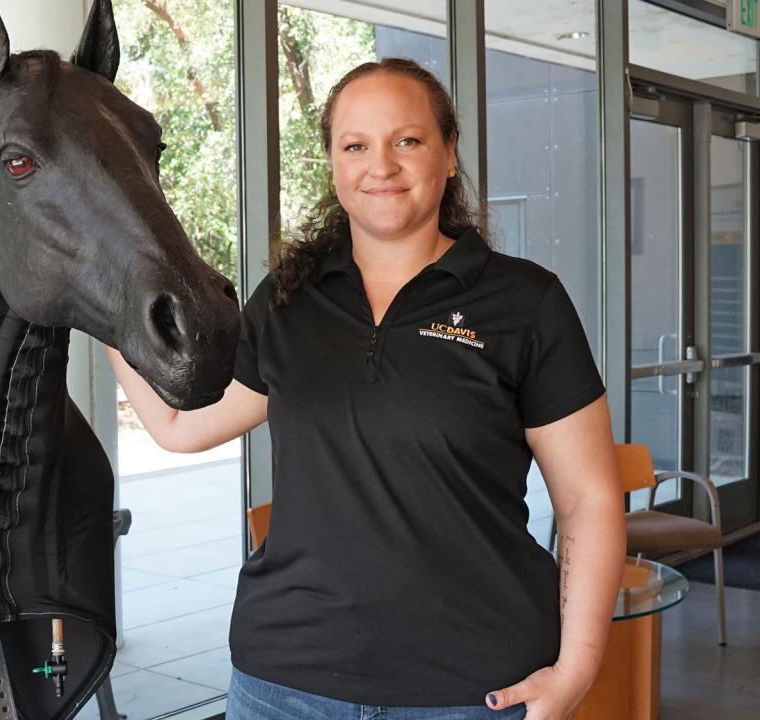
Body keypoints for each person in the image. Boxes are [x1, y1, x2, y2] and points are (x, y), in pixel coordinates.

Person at [107, 58, 625, 720]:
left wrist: (576, 670)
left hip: (470, 689)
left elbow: (588, 500)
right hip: (283, 686)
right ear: (332, 162)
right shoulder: (288, 303)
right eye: (355, 145)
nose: (380, 166)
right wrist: (107, 313)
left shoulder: (525, 302)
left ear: (448, 153)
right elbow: (182, 427)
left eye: (407, 141)